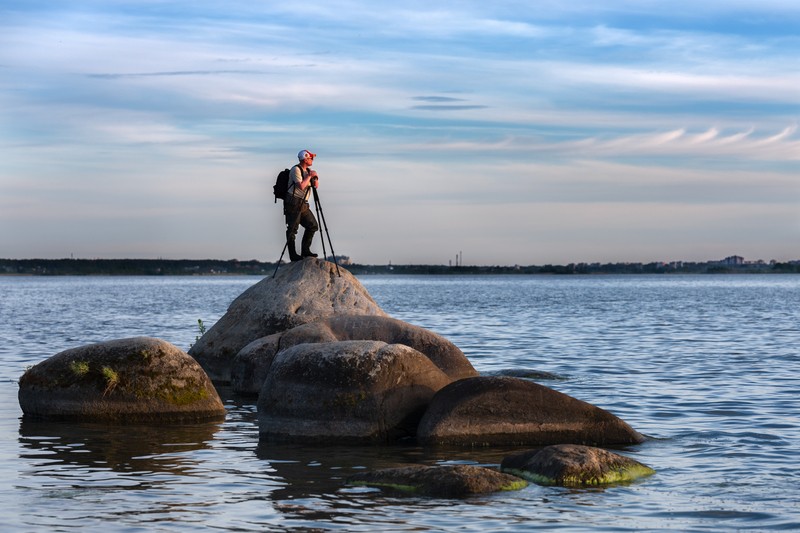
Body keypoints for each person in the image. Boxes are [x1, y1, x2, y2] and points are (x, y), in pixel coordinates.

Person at [284, 149, 320, 261]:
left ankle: (305, 251)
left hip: (304, 203)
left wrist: (315, 177)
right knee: (292, 229)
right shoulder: (296, 170)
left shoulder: (308, 170)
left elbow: (316, 186)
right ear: (305, 158)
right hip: (293, 202)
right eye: (310, 158)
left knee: (313, 225)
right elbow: (301, 186)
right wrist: (309, 176)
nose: (312, 160)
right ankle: (293, 255)